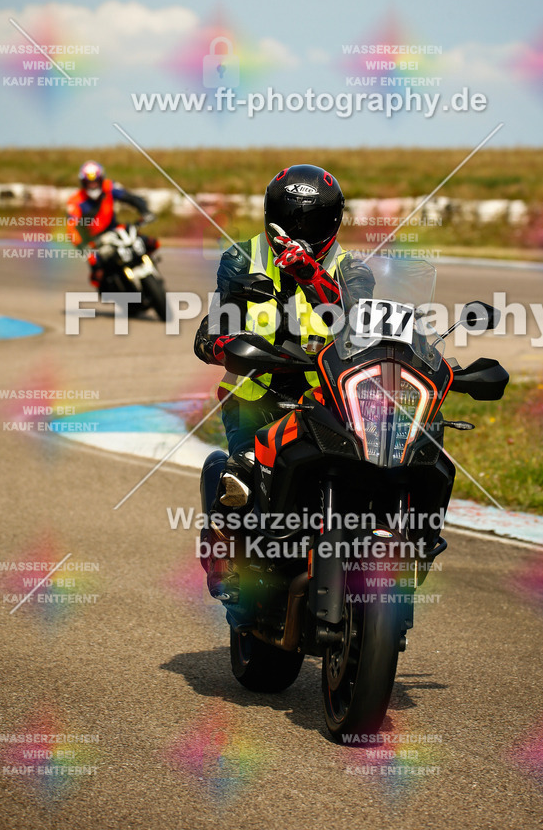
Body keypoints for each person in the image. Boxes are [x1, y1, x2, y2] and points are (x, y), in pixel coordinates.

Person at [194, 163, 373, 599]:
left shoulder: (353, 271)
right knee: (243, 478)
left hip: (331, 399)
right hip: (259, 399)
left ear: (333, 221)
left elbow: (361, 327)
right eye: (289, 217)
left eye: (310, 220)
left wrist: (311, 276)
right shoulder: (242, 258)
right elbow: (210, 335)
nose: (298, 229)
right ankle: (227, 554)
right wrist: (232, 348)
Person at [66, 161, 157, 288]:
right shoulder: (75, 201)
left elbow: (130, 198)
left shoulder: (109, 187)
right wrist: (81, 246)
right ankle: (112, 289)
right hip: (94, 241)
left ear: (101, 179)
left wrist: (145, 211)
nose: (93, 186)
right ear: (83, 183)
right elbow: (71, 228)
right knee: (97, 271)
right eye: (89, 183)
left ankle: (151, 266)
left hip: (114, 229)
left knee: (147, 241)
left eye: (96, 181)